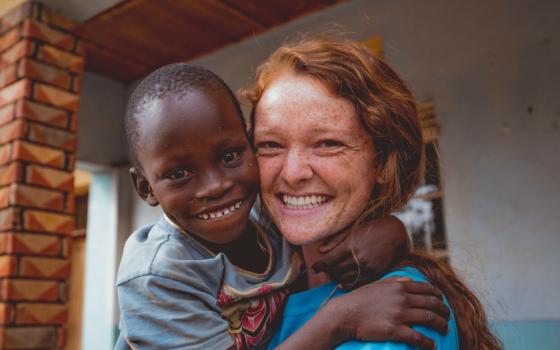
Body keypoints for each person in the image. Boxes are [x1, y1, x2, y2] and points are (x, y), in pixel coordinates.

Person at [115, 64, 450, 350]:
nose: (216, 185)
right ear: (146, 188)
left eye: (230, 156)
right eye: (179, 173)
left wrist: (393, 229)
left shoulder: (265, 224)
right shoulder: (157, 274)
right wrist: (338, 320)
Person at [243, 37, 502, 349]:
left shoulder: (399, 312)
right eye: (270, 145)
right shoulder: (255, 296)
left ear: (382, 161)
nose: (293, 172)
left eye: (328, 143)